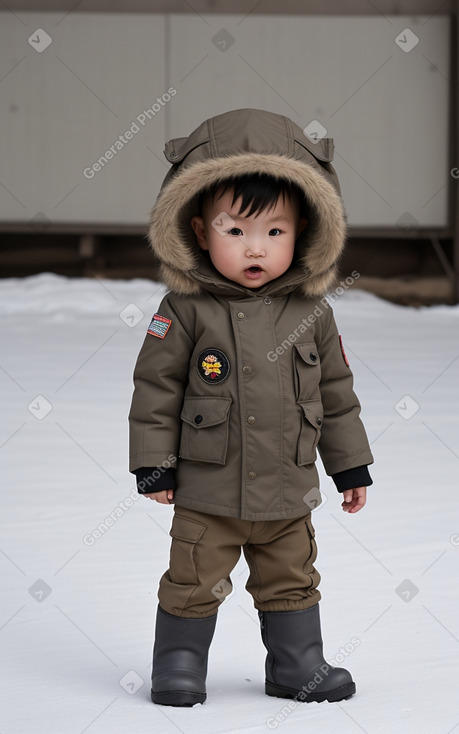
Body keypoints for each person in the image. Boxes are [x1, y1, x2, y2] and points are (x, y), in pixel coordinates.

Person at [128, 108, 374, 707]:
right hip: (208, 489)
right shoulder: (187, 307)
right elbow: (156, 388)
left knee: (292, 579)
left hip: (288, 490)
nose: (255, 248)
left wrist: (350, 465)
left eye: (274, 232)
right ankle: (179, 664)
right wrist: (152, 464)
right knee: (191, 579)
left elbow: (336, 394)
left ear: (306, 232)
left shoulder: (313, 310)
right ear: (198, 231)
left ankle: (298, 664)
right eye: (234, 231)